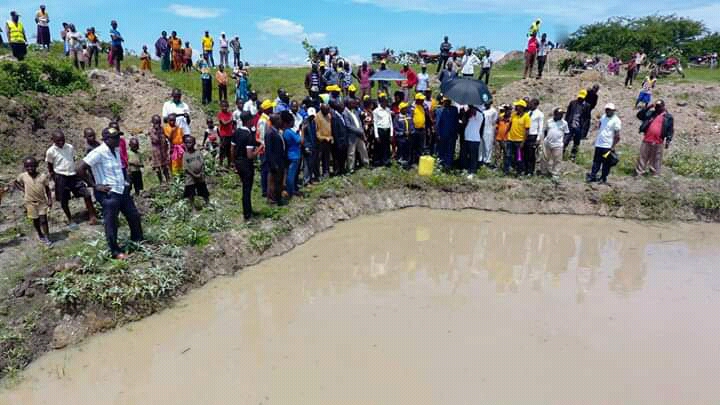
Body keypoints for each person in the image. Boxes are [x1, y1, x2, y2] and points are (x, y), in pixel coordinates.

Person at [77, 127, 143, 260]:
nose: (118, 140)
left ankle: (137, 241)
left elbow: (119, 168)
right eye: (115, 138)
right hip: (109, 194)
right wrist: (95, 185)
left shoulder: (116, 150)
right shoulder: (98, 152)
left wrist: (126, 181)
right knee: (111, 222)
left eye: (118, 137)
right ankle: (115, 251)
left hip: (121, 190)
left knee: (134, 216)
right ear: (106, 140)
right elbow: (79, 168)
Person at [45, 130, 98, 228]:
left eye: (62, 140)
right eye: (58, 141)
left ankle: (92, 215)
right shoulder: (50, 151)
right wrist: (54, 178)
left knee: (86, 194)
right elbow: (50, 166)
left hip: (73, 175)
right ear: (53, 140)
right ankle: (70, 219)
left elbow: (72, 159)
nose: (61, 142)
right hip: (60, 177)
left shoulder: (70, 147)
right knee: (64, 200)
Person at [13, 157, 53, 247]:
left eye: (32, 166)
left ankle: (47, 237)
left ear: (36, 166)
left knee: (44, 220)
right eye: (27, 166)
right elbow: (15, 182)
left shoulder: (42, 176)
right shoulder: (23, 176)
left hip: (42, 202)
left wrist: (50, 200)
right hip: (30, 202)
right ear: (25, 167)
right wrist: (23, 189)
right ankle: (39, 233)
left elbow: (48, 189)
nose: (30, 168)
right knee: (35, 220)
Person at [231, 111, 260, 220]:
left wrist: (233, 163)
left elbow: (232, 149)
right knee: (247, 190)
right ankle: (247, 214)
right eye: (252, 119)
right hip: (246, 165)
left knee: (245, 188)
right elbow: (250, 155)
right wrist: (258, 150)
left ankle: (248, 211)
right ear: (248, 121)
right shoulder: (248, 135)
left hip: (238, 163)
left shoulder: (237, 132)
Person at [635, 100, 673, 176]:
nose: (657, 108)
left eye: (659, 106)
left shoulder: (668, 117)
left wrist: (668, 140)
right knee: (643, 157)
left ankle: (655, 174)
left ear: (663, 106)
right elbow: (639, 115)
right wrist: (649, 107)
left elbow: (670, 130)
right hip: (647, 139)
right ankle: (639, 172)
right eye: (656, 106)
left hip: (659, 141)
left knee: (657, 158)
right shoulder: (650, 114)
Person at [586, 103, 621, 183]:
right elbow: (600, 126)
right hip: (599, 144)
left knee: (606, 163)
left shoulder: (616, 120)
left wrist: (612, 146)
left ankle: (603, 178)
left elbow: (617, 136)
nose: (608, 111)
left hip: (607, 146)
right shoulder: (603, 117)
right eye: (607, 109)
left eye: (610, 110)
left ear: (613, 111)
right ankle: (593, 176)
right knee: (596, 162)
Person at [181, 135, 210, 209]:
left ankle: (207, 203)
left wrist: (201, 172)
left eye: (190, 142)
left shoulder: (198, 152)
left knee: (203, 190)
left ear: (194, 143)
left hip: (200, 175)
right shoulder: (185, 155)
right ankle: (193, 207)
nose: (188, 144)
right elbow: (186, 167)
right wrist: (194, 174)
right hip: (190, 177)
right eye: (186, 142)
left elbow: (202, 162)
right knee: (190, 192)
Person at [542, 108, 569, 178]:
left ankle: (555, 173)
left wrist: (564, 141)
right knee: (545, 158)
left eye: (562, 114)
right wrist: (546, 138)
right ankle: (544, 172)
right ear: (555, 114)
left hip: (558, 144)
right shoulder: (549, 121)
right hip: (547, 143)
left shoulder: (564, 123)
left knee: (557, 160)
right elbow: (545, 131)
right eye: (559, 114)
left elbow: (567, 133)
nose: (561, 116)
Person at [505, 100, 530, 175]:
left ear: (522, 108)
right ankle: (507, 171)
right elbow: (510, 125)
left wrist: (523, 142)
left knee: (519, 157)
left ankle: (519, 172)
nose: (516, 107)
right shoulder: (514, 115)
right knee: (508, 155)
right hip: (510, 139)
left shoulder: (526, 117)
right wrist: (506, 135)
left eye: (517, 106)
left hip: (519, 141)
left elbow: (527, 131)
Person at [343, 98, 369, 171]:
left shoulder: (354, 111)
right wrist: (359, 131)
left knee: (363, 149)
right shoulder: (345, 113)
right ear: (348, 104)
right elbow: (348, 126)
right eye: (352, 103)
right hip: (352, 136)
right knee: (351, 152)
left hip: (359, 134)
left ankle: (366, 164)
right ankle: (350, 168)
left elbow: (359, 122)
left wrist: (361, 130)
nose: (354, 105)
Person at [265, 114, 286, 204]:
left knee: (278, 181)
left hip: (280, 160)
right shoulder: (270, 133)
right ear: (275, 121)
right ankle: (272, 199)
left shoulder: (277, 131)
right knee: (273, 181)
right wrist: (273, 164)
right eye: (279, 119)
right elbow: (269, 150)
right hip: (275, 162)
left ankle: (278, 198)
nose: (281, 121)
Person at [281, 111, 302, 197]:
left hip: (292, 155)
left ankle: (291, 189)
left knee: (291, 174)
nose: (294, 123)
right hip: (293, 155)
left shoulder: (286, 131)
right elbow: (300, 140)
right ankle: (290, 191)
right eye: (292, 121)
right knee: (291, 174)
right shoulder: (288, 132)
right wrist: (302, 130)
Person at [564, 89, 589, 161]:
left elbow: (587, 119)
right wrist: (565, 124)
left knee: (576, 142)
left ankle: (573, 156)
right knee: (566, 140)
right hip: (570, 125)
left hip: (579, 127)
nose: (580, 99)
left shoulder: (587, 106)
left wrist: (584, 131)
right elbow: (568, 114)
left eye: (582, 97)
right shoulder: (573, 103)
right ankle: (562, 153)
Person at [436, 97, 459, 169]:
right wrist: (438, 134)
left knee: (451, 149)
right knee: (442, 149)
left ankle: (449, 164)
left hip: (452, 134)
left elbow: (456, 121)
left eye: (449, 101)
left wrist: (456, 132)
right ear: (443, 101)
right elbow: (438, 123)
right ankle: (441, 163)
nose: (447, 102)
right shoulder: (439, 110)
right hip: (443, 133)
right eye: (446, 101)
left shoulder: (454, 109)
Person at [462, 106, 484, 177]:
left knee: (473, 157)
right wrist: (464, 114)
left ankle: (472, 172)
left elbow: (474, 112)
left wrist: (470, 109)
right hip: (467, 138)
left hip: (474, 139)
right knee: (465, 155)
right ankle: (467, 169)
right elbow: (464, 121)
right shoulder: (469, 115)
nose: (470, 108)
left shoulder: (480, 115)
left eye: (471, 107)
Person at [409, 93, 431, 165]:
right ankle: (412, 161)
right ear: (417, 100)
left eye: (423, 99)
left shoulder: (423, 106)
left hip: (422, 129)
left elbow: (428, 116)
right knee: (413, 146)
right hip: (415, 129)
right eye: (421, 99)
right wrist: (411, 129)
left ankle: (419, 161)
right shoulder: (412, 107)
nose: (423, 100)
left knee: (420, 146)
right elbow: (410, 118)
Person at [148, 115, 170, 183]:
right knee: (157, 167)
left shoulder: (162, 129)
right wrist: (158, 132)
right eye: (156, 122)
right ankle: (161, 181)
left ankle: (168, 179)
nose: (158, 124)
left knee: (165, 166)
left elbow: (166, 136)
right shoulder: (151, 130)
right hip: (156, 151)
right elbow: (155, 140)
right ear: (153, 123)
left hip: (163, 150)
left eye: (159, 122)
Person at [373, 93, 394, 166]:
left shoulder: (388, 110)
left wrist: (391, 134)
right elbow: (375, 123)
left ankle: (386, 160)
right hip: (380, 130)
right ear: (381, 102)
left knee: (386, 146)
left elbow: (391, 122)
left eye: (386, 102)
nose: (385, 103)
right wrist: (376, 135)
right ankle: (377, 161)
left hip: (387, 130)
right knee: (379, 147)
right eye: (384, 102)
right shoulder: (376, 111)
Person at [525, 98, 544, 176]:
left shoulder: (539, 114)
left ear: (536, 105)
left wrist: (538, 138)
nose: (530, 105)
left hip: (533, 135)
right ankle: (525, 169)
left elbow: (540, 127)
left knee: (531, 154)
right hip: (526, 135)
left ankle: (530, 171)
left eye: (532, 104)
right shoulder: (527, 112)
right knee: (525, 153)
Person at [331, 101, 349, 176]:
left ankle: (342, 169)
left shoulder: (342, 115)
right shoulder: (335, 117)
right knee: (338, 157)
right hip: (339, 141)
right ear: (338, 108)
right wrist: (338, 143)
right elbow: (335, 132)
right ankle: (337, 171)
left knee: (343, 157)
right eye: (342, 106)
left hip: (344, 140)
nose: (343, 107)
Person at [302, 107, 319, 185]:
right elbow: (303, 136)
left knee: (312, 163)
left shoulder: (313, 122)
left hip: (314, 145)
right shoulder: (305, 123)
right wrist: (305, 146)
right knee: (307, 165)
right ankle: (306, 181)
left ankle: (311, 179)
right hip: (308, 145)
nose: (312, 117)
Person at [316, 104, 333, 177]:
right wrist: (323, 138)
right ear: (322, 109)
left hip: (328, 139)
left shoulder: (328, 115)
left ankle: (326, 172)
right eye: (327, 110)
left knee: (327, 158)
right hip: (321, 141)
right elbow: (317, 131)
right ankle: (317, 174)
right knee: (319, 158)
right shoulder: (317, 117)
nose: (328, 111)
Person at [217, 100, 234, 169]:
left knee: (229, 150)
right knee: (222, 149)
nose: (224, 108)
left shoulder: (229, 114)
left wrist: (230, 121)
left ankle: (229, 164)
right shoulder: (220, 114)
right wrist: (230, 120)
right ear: (221, 107)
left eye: (226, 106)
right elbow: (224, 123)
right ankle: (220, 164)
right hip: (223, 135)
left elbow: (230, 123)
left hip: (230, 134)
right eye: (223, 106)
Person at [480, 101, 498, 166]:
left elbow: (494, 121)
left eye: (487, 102)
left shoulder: (493, 111)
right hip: (481, 129)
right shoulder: (482, 109)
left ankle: (487, 161)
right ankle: (480, 160)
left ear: (490, 103)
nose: (485, 104)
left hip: (489, 130)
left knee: (488, 146)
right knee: (481, 145)